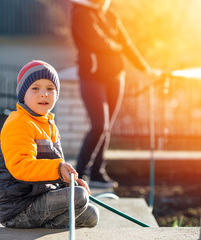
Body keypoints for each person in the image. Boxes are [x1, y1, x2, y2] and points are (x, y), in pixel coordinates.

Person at [0, 60, 99, 228]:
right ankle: (44, 227)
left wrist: (70, 181)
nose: (44, 94)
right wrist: (58, 168)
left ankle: (47, 225)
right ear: (23, 94)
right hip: (18, 207)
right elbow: (21, 167)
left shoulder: (49, 125)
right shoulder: (18, 123)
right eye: (35, 88)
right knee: (79, 197)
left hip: (40, 198)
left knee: (92, 215)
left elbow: (53, 171)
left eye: (50, 88)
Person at [71, 0, 156, 188]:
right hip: (92, 77)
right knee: (99, 125)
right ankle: (81, 172)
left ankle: (97, 173)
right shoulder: (80, 13)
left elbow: (127, 43)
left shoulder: (110, 15)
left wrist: (145, 68)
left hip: (116, 78)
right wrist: (117, 46)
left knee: (107, 128)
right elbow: (98, 41)